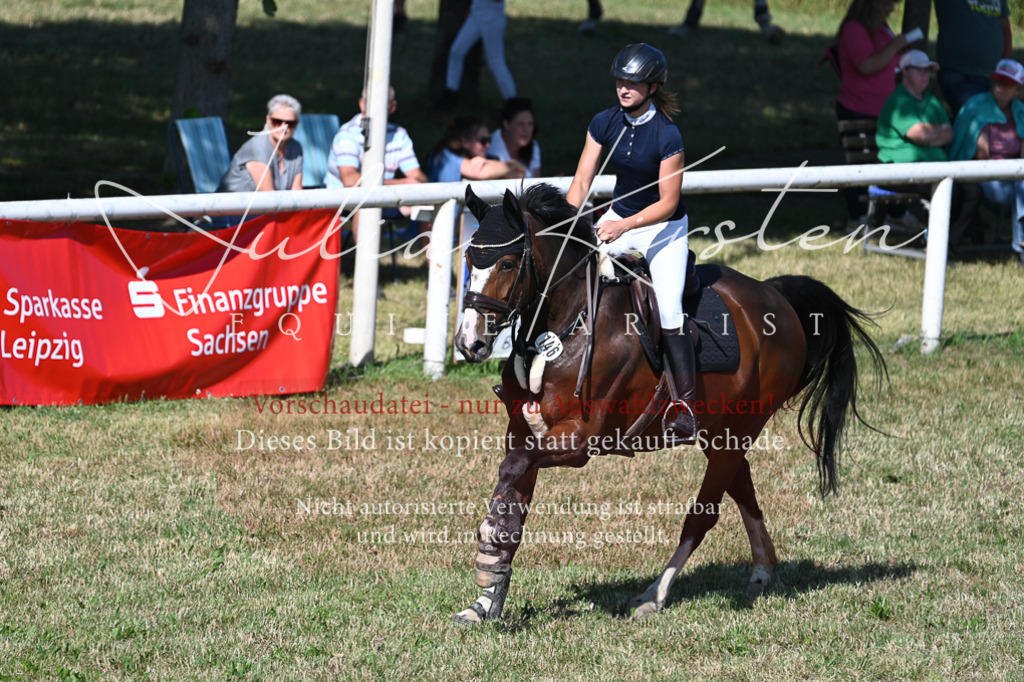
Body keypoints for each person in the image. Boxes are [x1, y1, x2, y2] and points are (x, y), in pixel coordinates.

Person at [566, 43, 697, 444]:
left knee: (671, 311)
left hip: (662, 228)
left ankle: (687, 409)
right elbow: (582, 180)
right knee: (565, 273)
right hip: (616, 219)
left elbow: (668, 202)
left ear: (653, 87)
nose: (624, 88)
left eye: (634, 82)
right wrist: (568, 224)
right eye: (621, 80)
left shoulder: (667, 134)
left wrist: (625, 226)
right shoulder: (604, 121)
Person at [833, 0, 919, 225]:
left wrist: (900, 51)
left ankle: (895, 211)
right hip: (857, 108)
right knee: (860, 163)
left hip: (885, 110)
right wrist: (894, 47)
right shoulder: (855, 29)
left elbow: (887, 59)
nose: (892, 7)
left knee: (888, 159)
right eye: (888, 2)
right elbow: (866, 66)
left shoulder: (881, 28)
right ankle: (858, 217)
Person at [325, 87, 428, 240]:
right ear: (362, 104)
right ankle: (365, 262)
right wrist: (400, 183)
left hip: (384, 196)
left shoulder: (399, 135)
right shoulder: (347, 134)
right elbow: (350, 181)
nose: (377, 107)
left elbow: (416, 175)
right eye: (373, 102)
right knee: (365, 202)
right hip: (342, 200)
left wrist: (418, 188)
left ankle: (436, 263)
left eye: (382, 103)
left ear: (392, 107)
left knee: (430, 201)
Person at [950, 59, 1024, 267]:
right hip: (984, 174)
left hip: (1015, 177)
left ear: (1018, 89)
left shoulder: (1021, 112)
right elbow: (982, 156)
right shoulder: (977, 108)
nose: (1001, 87)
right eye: (998, 82)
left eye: (1008, 84)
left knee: (1023, 187)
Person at [934, 0, 1012, 118]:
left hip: (991, 75)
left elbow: (1005, 28)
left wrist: (1005, 67)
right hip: (959, 71)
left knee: (980, 122)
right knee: (974, 119)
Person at [435, 0, 516, 109]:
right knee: (456, 52)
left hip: (491, 16)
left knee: (495, 61)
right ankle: (451, 92)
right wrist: (474, 7)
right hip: (476, 13)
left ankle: (513, 102)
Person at [219, 94, 303, 192]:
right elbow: (269, 197)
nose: (283, 127)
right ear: (268, 120)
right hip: (231, 206)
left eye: (289, 123)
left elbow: (297, 194)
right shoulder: (257, 148)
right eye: (277, 122)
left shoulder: (296, 148)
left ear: (296, 124)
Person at [425, 116, 526, 182]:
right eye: (483, 141)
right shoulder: (444, 156)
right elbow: (479, 172)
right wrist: (514, 164)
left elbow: (518, 173)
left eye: (489, 140)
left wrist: (488, 163)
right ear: (465, 142)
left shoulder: (485, 158)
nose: (488, 145)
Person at [488, 97, 541, 179]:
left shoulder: (533, 146)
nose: (526, 130)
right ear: (506, 124)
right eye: (520, 124)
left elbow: (536, 181)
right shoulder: (490, 147)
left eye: (530, 124)